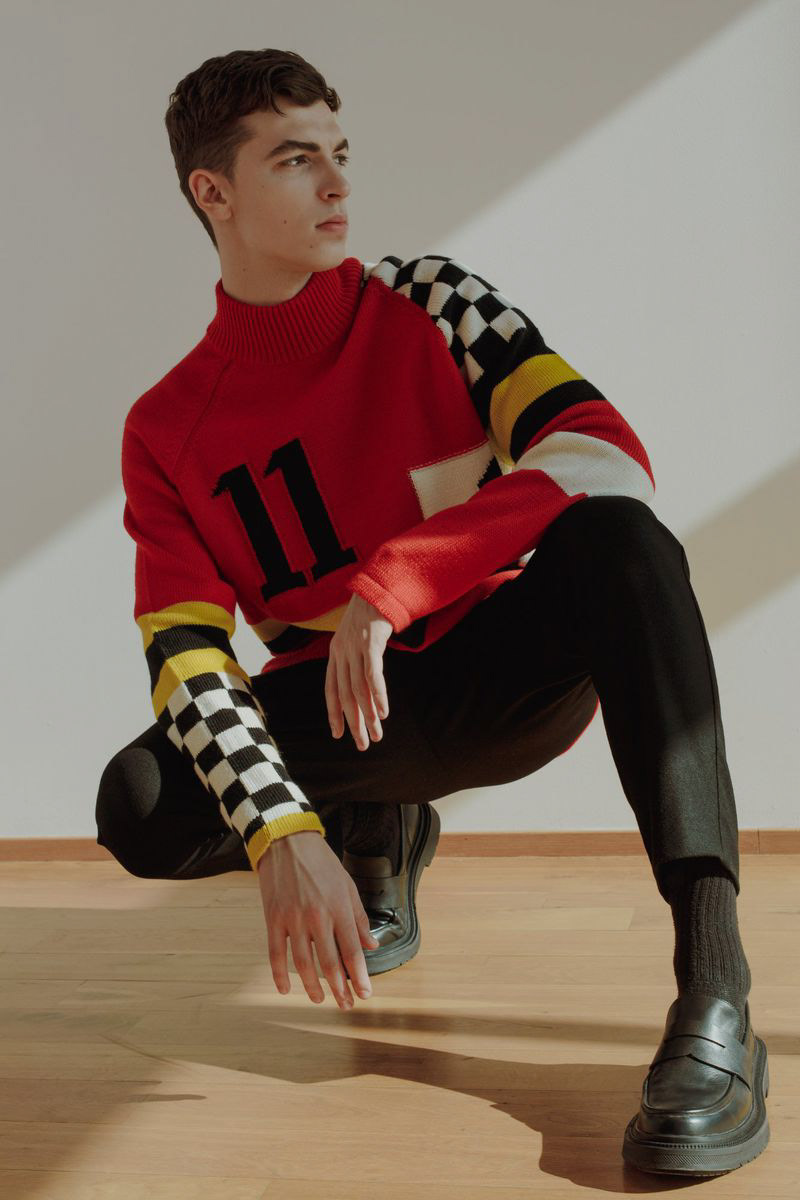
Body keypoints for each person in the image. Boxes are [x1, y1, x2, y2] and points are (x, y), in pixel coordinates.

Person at [94, 48, 770, 1177]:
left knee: (621, 541)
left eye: (339, 153)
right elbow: (188, 656)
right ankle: (375, 829)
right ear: (212, 192)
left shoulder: (431, 300)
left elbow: (598, 450)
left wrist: (393, 581)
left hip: (500, 671)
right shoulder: (166, 428)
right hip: (348, 720)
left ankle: (715, 989)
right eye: (295, 160)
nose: (337, 185)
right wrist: (280, 832)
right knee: (140, 800)